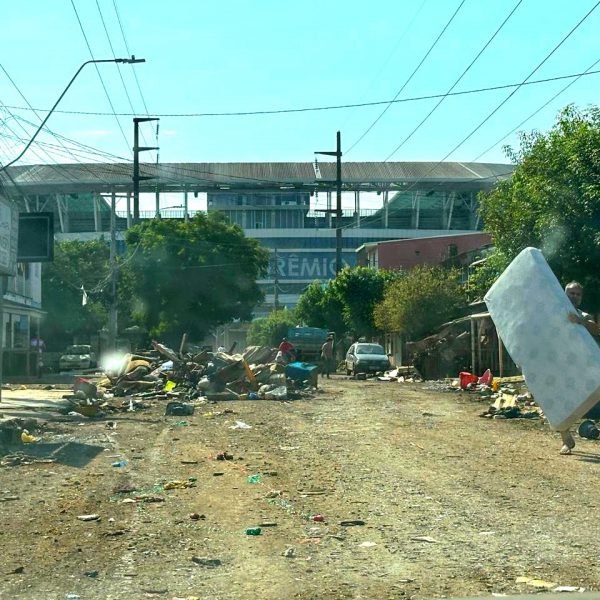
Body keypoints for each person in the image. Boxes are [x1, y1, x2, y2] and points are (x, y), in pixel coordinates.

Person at [560, 281, 599, 455]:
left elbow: (596, 329)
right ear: (563, 293)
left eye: (577, 294)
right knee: (561, 400)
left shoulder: (585, 315)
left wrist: (580, 321)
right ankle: (566, 441)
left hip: (583, 366)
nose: (574, 296)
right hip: (560, 365)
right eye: (571, 293)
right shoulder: (552, 312)